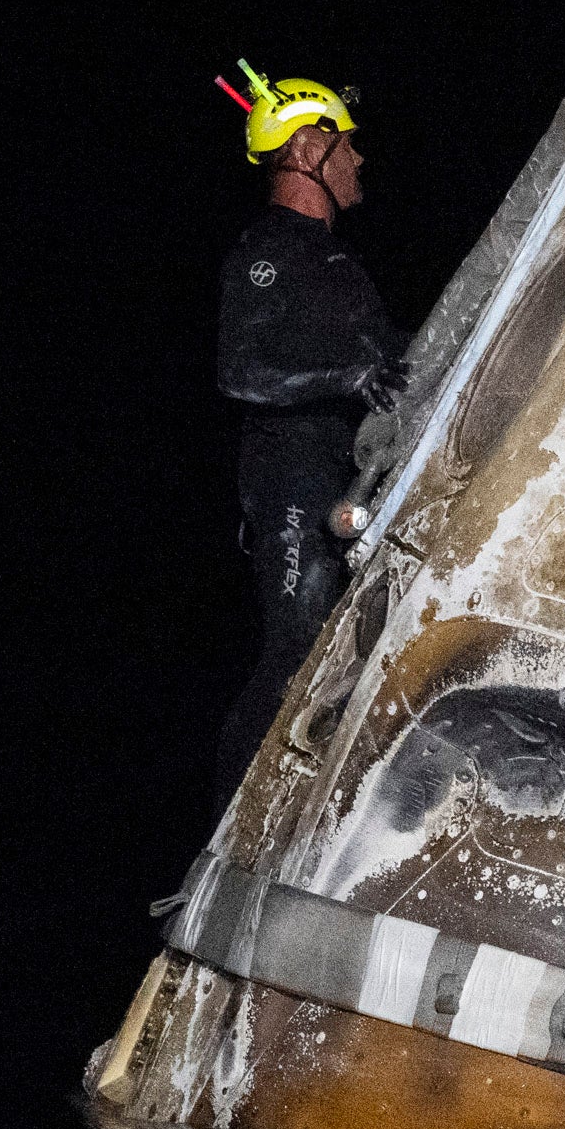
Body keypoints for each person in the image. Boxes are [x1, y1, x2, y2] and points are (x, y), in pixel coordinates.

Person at [214, 63, 406, 805]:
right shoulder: (271, 249)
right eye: (346, 144)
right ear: (305, 152)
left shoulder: (337, 263)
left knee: (344, 654)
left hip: (343, 478)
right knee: (294, 650)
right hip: (289, 475)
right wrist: (348, 379)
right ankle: (222, 843)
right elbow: (241, 369)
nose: (359, 158)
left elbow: (393, 359)